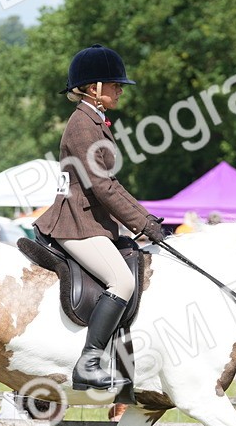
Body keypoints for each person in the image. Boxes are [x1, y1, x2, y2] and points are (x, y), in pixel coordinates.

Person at [34, 45, 167, 391]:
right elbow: (103, 188)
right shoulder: (83, 125)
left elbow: (112, 185)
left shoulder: (94, 121)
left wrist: (146, 218)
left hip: (89, 221)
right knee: (121, 282)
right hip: (76, 223)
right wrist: (143, 224)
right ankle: (89, 360)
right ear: (93, 87)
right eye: (115, 84)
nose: (120, 90)